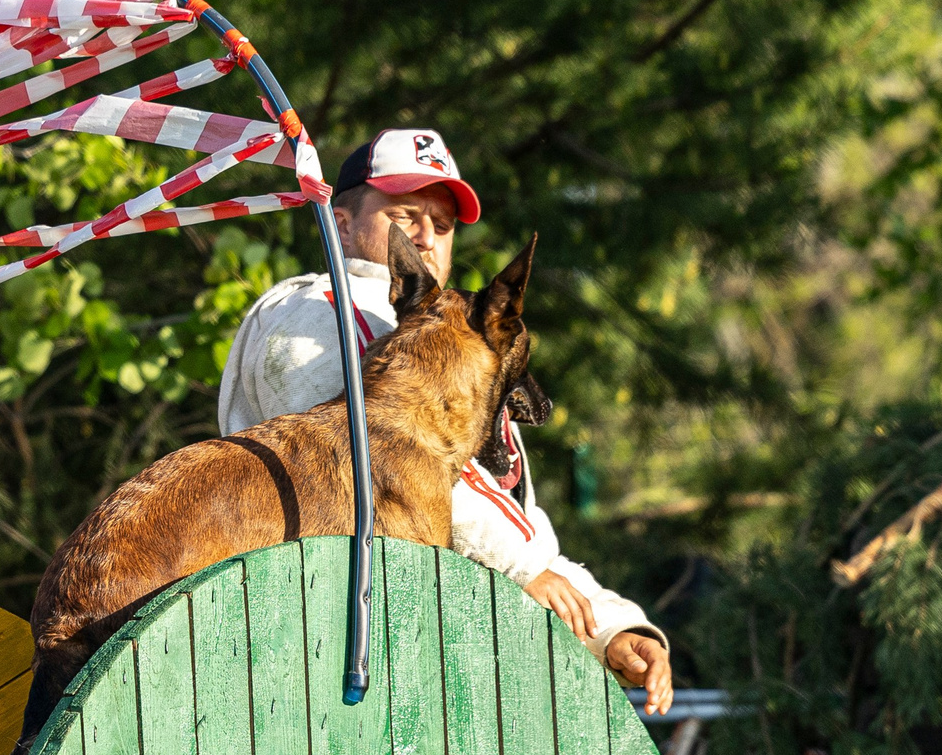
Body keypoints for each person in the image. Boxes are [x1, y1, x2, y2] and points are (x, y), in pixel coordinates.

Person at [218, 128, 675, 713]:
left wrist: (612, 630)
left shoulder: (451, 342)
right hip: (307, 652)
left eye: (442, 223)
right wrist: (520, 568)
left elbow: (520, 528)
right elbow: (386, 465)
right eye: (404, 213)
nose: (425, 237)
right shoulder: (319, 312)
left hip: (394, 651)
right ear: (341, 223)